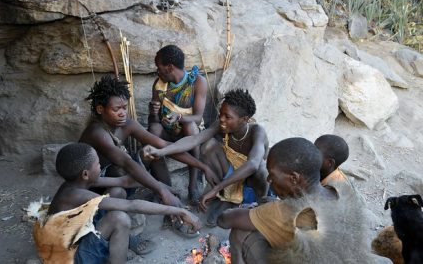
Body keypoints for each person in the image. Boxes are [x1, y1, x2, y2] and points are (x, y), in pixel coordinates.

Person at [79, 75, 218, 236]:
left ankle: (170, 206)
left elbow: (163, 146)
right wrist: (162, 190)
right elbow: (126, 163)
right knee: (119, 186)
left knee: (152, 151)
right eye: (116, 109)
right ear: (100, 109)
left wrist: (203, 166)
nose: (123, 113)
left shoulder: (127, 124)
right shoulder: (97, 132)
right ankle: (131, 234)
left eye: (124, 107)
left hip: (121, 175)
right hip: (97, 186)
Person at [33, 143, 201, 264]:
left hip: (75, 236)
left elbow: (125, 181)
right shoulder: (75, 195)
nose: (100, 166)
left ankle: (117, 247)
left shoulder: (78, 183)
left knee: (117, 192)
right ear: (85, 173)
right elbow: (132, 205)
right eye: (98, 164)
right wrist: (180, 211)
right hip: (70, 258)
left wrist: (163, 188)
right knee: (120, 219)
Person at [216, 137, 374, 264]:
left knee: (240, 232)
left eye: (272, 174)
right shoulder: (341, 190)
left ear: (294, 178)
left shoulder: (287, 211)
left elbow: (225, 220)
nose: (269, 179)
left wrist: (256, 212)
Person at [144, 89, 269, 226]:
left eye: (227, 117)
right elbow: (194, 140)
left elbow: (253, 164)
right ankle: (227, 199)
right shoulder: (222, 125)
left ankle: (260, 207)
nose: (221, 119)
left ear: (244, 119)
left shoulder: (257, 132)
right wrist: (162, 151)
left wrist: (215, 189)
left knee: (261, 169)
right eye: (221, 114)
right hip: (230, 178)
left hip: (251, 183)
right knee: (208, 146)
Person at [148, 45, 208, 205]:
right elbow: (153, 123)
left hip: (189, 133)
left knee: (191, 127)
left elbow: (197, 118)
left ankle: (193, 184)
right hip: (168, 132)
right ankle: (165, 187)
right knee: (153, 130)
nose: (157, 71)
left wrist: (179, 118)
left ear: (169, 67)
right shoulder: (159, 85)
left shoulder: (197, 82)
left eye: (159, 67)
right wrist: (153, 113)